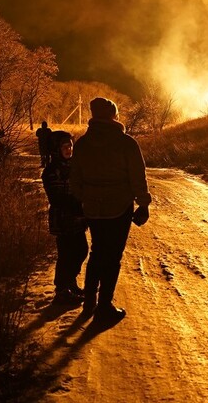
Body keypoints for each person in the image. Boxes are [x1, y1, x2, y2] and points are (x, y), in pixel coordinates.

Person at [71, 97, 152, 323]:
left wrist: (85, 199)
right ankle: (104, 306)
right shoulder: (126, 143)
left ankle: (89, 301)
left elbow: (74, 181)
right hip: (119, 207)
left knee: (97, 252)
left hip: (93, 209)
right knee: (113, 256)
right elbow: (138, 177)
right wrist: (143, 204)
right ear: (113, 115)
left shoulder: (82, 144)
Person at [42, 130, 88, 305]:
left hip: (77, 218)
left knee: (81, 249)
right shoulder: (52, 171)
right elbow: (55, 197)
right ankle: (62, 289)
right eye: (64, 146)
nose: (69, 149)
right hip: (63, 218)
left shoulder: (74, 166)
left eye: (70, 145)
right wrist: (76, 202)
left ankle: (70, 283)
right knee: (66, 254)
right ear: (56, 149)